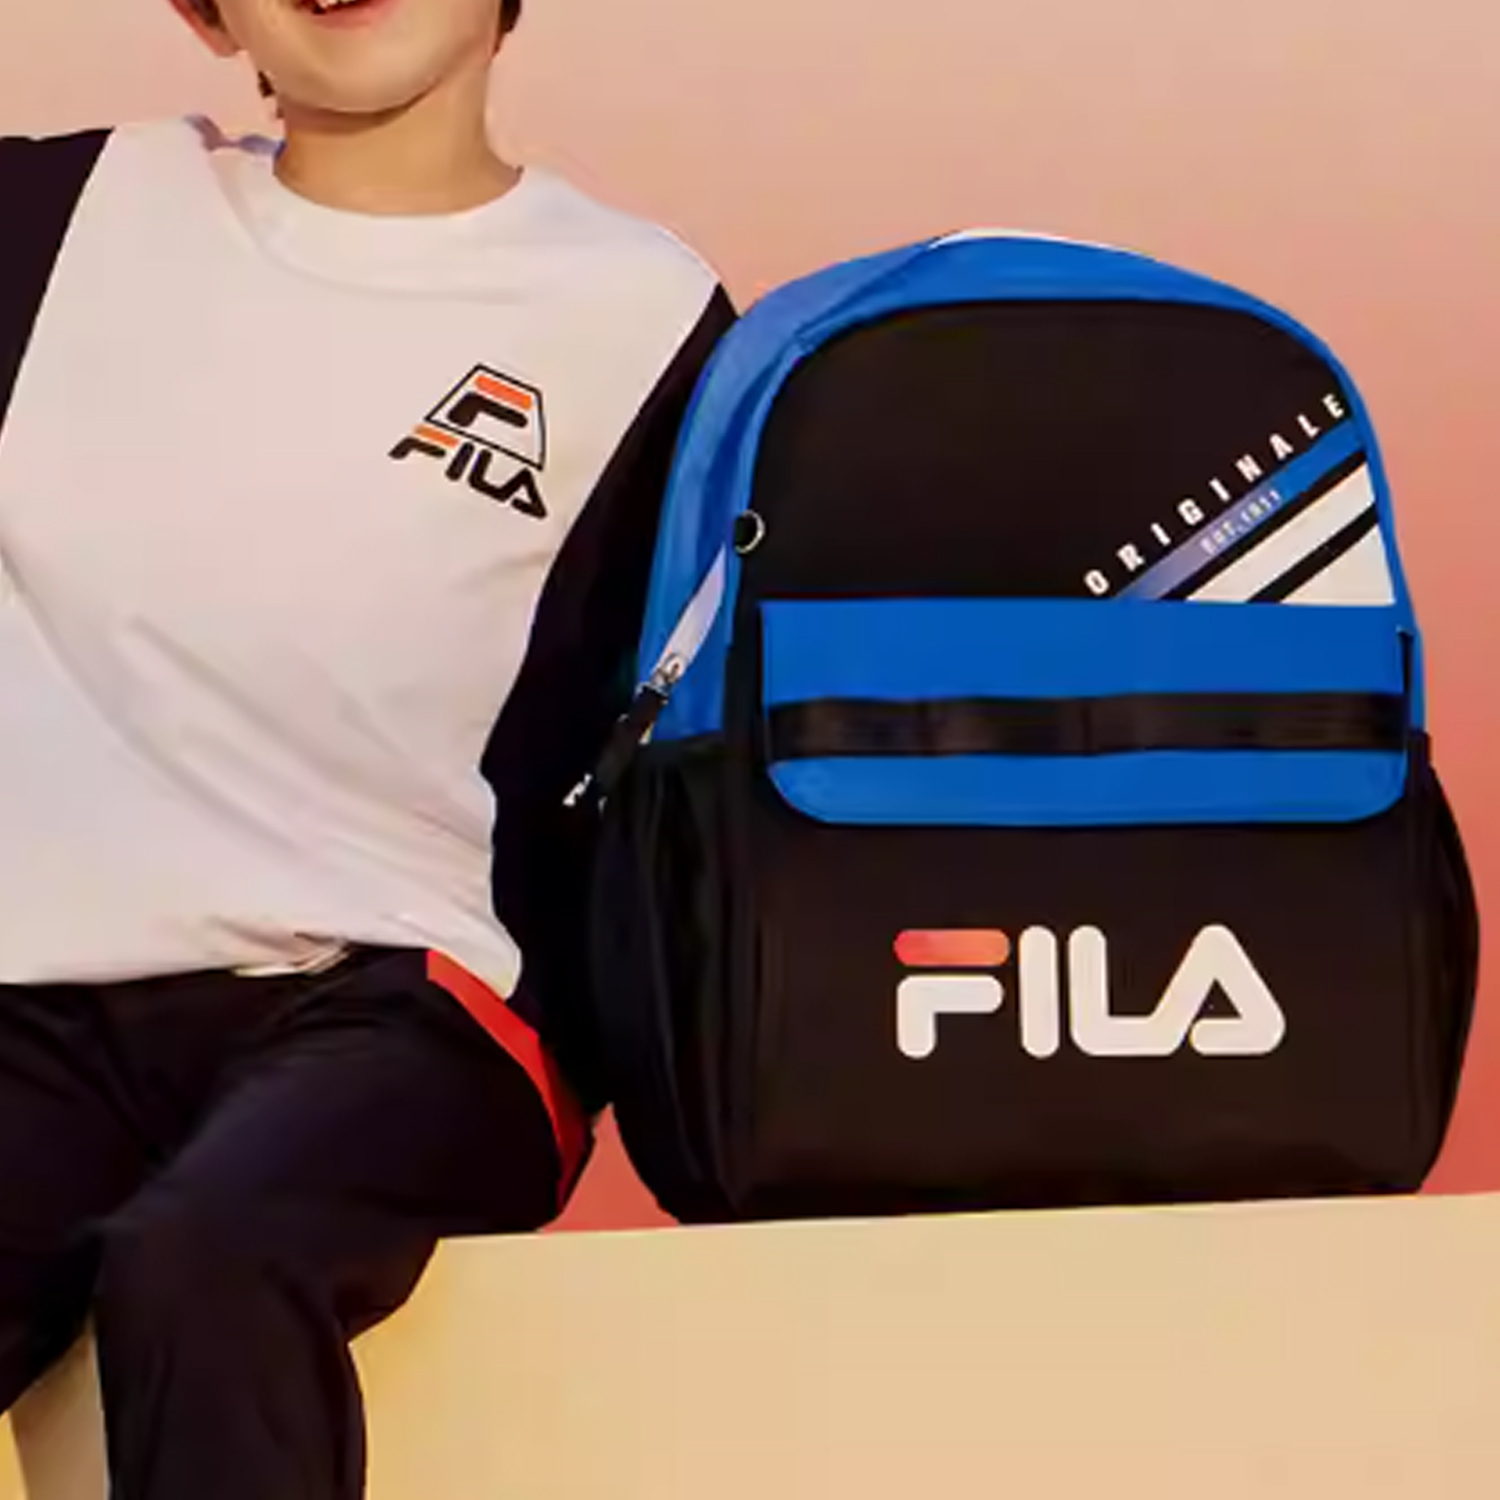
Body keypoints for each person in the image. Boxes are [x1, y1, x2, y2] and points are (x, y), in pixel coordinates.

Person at [0, 0, 733, 1494]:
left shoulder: (648, 317)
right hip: (38, 1011)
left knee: (205, 1260)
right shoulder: (60, 216)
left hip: (419, 1005)